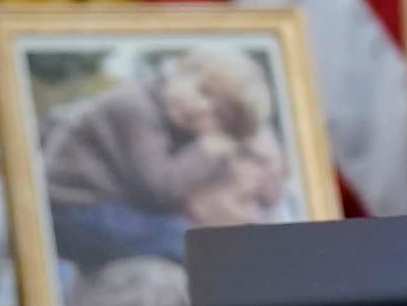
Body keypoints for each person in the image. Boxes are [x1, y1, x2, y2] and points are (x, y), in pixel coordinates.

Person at [37, 47, 285, 273]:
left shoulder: (169, 117)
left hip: (102, 211)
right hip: (71, 212)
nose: (201, 108)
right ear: (179, 71)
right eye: (203, 91)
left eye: (218, 115)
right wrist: (207, 148)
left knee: (184, 233)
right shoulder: (134, 108)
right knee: (182, 238)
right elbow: (159, 190)